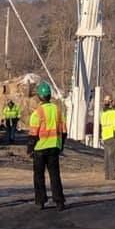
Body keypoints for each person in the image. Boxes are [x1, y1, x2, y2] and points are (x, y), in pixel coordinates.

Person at [27, 81, 66, 211]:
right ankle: (59, 201)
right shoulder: (57, 110)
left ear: (39, 96)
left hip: (40, 148)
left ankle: (40, 201)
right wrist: (61, 145)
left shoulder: (37, 112)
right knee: (55, 175)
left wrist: (30, 149)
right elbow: (63, 130)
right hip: (54, 147)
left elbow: (33, 133)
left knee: (39, 176)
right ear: (50, 95)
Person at [100, 96, 115, 180]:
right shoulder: (114, 113)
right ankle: (113, 175)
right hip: (113, 135)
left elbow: (101, 125)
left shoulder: (103, 114)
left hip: (105, 136)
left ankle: (107, 175)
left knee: (107, 156)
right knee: (113, 156)